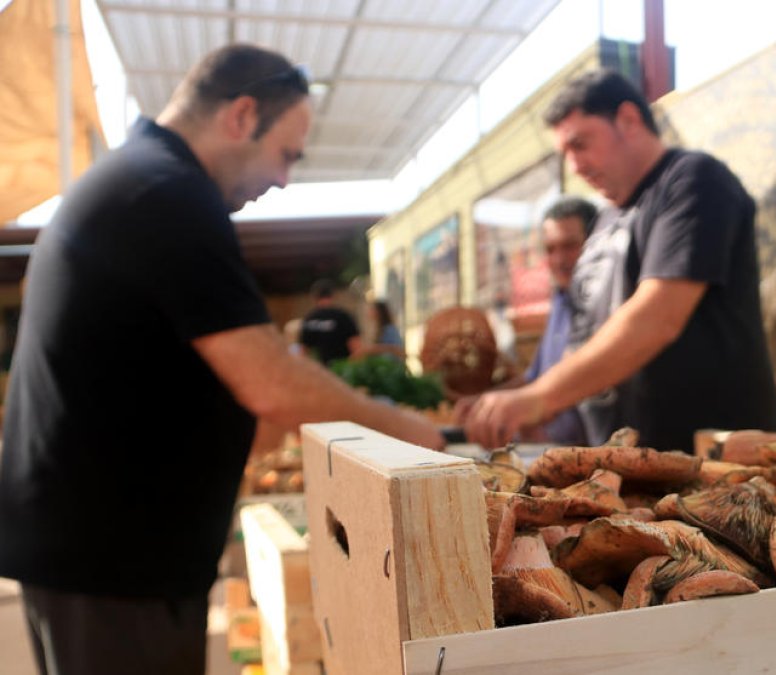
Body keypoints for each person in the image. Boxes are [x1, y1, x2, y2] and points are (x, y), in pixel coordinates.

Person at [0, 44, 444, 675]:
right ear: (241, 116)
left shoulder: (147, 180)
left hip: (105, 561)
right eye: (286, 155)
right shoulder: (167, 195)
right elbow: (271, 382)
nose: (285, 179)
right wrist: (407, 430)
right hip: (114, 572)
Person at [462, 69, 776, 452]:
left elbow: (657, 317)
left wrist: (540, 398)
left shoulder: (692, 182)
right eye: (566, 153)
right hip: (627, 472)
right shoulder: (604, 219)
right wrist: (520, 401)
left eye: (580, 144)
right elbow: (586, 340)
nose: (575, 166)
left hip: (718, 470)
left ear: (628, 120)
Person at [455, 196, 597, 446]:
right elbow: (533, 377)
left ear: (595, 243)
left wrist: (533, 410)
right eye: (550, 249)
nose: (558, 259)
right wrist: (485, 401)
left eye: (569, 246)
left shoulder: (605, 302)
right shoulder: (561, 300)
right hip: (548, 450)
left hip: (590, 452)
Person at [299, 278, 360, 364]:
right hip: (342, 369)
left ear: (314, 296)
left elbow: (303, 353)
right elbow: (356, 348)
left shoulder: (310, 319)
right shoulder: (343, 316)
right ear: (333, 295)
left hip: (321, 372)